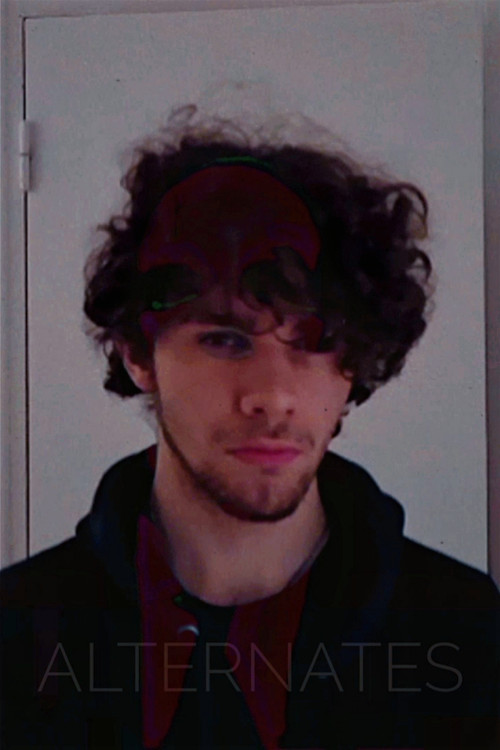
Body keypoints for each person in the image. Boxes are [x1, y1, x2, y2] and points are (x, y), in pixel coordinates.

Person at [1, 113, 499, 750]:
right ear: (138, 352)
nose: (274, 395)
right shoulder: (19, 633)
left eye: (315, 341)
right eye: (226, 340)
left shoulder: (460, 629)